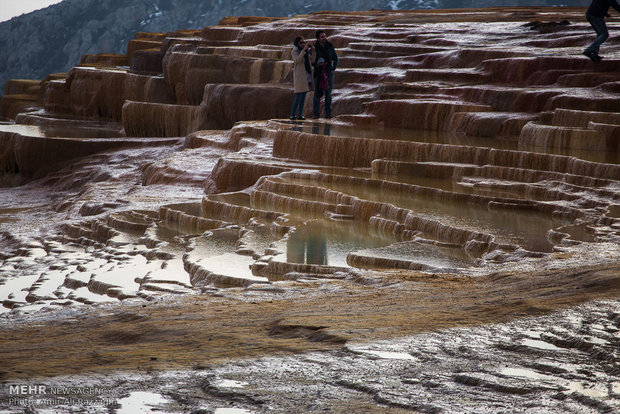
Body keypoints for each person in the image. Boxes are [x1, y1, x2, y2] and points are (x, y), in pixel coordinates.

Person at [312, 30, 338, 119]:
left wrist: (333, 69)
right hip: (318, 73)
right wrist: (317, 64)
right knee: (317, 94)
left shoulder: (330, 46)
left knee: (328, 94)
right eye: (322, 37)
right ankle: (316, 114)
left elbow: (336, 58)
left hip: (328, 73)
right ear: (318, 38)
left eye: (324, 36)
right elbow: (311, 61)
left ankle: (328, 114)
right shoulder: (315, 48)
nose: (324, 38)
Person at [290, 36, 313, 120]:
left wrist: (312, 51)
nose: (303, 44)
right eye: (301, 43)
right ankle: (292, 115)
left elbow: (312, 60)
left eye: (304, 42)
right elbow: (297, 60)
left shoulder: (306, 51)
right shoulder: (295, 51)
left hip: (306, 76)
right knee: (298, 97)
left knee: (303, 97)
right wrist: (303, 51)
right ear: (297, 43)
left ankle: (299, 115)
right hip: (299, 77)